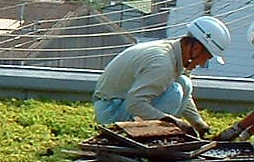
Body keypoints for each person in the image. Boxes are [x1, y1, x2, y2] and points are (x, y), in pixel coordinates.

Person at [92, 16, 231, 135]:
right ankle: (140, 138)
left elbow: (186, 95)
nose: (202, 63)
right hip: (111, 110)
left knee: (184, 83)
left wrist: (198, 123)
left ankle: (151, 132)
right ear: (196, 49)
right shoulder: (162, 64)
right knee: (174, 92)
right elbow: (134, 104)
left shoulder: (174, 54)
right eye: (206, 57)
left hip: (119, 103)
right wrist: (173, 122)